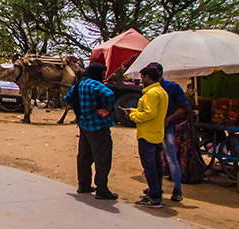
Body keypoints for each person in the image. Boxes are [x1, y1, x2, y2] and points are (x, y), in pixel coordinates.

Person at [63, 63, 118, 200]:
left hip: (83, 125)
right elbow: (109, 94)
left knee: (84, 156)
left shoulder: (79, 85)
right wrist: (105, 109)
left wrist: (80, 110)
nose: (104, 77)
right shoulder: (95, 84)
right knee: (103, 157)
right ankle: (101, 189)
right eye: (103, 74)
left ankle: (84, 185)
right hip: (98, 125)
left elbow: (67, 99)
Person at [125, 63, 169, 208]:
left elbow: (150, 113)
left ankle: (154, 197)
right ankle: (156, 191)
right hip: (157, 133)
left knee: (149, 166)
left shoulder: (151, 93)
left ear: (147, 77)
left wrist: (133, 114)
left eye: (142, 76)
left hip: (147, 134)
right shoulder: (161, 91)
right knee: (156, 166)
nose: (141, 79)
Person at [151, 62, 190, 202]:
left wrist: (168, 119)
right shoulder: (149, 88)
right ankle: (155, 188)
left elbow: (182, 108)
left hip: (167, 127)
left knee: (170, 157)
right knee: (154, 158)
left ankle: (177, 188)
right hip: (152, 129)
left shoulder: (172, 88)